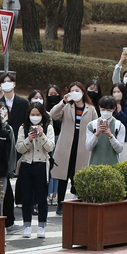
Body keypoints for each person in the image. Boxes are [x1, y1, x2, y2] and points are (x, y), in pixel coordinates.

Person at [50, 82, 97, 214]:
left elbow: (95, 126)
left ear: (83, 92)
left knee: (79, 176)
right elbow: (53, 115)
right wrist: (63, 102)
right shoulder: (67, 106)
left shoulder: (90, 108)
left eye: (77, 90)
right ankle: (60, 204)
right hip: (66, 146)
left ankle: (80, 201)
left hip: (83, 146)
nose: (75, 93)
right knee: (63, 176)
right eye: (72, 91)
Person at [15, 104, 55, 238]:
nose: (35, 117)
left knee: (41, 197)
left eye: (38, 114)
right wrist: (29, 139)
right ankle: (27, 225)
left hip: (42, 164)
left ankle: (41, 226)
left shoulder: (48, 127)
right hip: (26, 164)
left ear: (42, 115)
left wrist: (42, 135)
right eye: (33, 114)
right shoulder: (23, 127)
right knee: (26, 197)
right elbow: (19, 148)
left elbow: (50, 147)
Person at [85, 96, 126, 166]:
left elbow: (119, 149)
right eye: (103, 109)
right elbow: (88, 147)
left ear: (114, 109)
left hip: (113, 166)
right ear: (99, 107)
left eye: (108, 110)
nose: (105, 112)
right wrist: (96, 134)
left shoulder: (119, 126)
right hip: (94, 166)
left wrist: (110, 136)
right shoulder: (92, 125)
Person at [111, 82, 127, 163]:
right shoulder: (109, 105)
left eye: (118, 92)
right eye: (114, 92)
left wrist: (121, 112)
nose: (116, 94)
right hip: (112, 137)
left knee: (122, 162)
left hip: (125, 139)